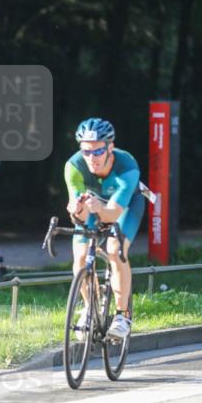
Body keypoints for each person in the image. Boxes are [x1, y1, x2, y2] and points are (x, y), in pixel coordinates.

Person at [64, 117, 145, 340]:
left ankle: (122, 315)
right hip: (94, 203)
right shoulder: (73, 167)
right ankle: (90, 308)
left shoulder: (126, 166)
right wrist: (77, 209)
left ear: (110, 147)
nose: (91, 158)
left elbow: (112, 215)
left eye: (97, 152)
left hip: (125, 205)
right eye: (86, 152)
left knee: (114, 249)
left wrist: (100, 208)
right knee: (80, 256)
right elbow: (78, 218)